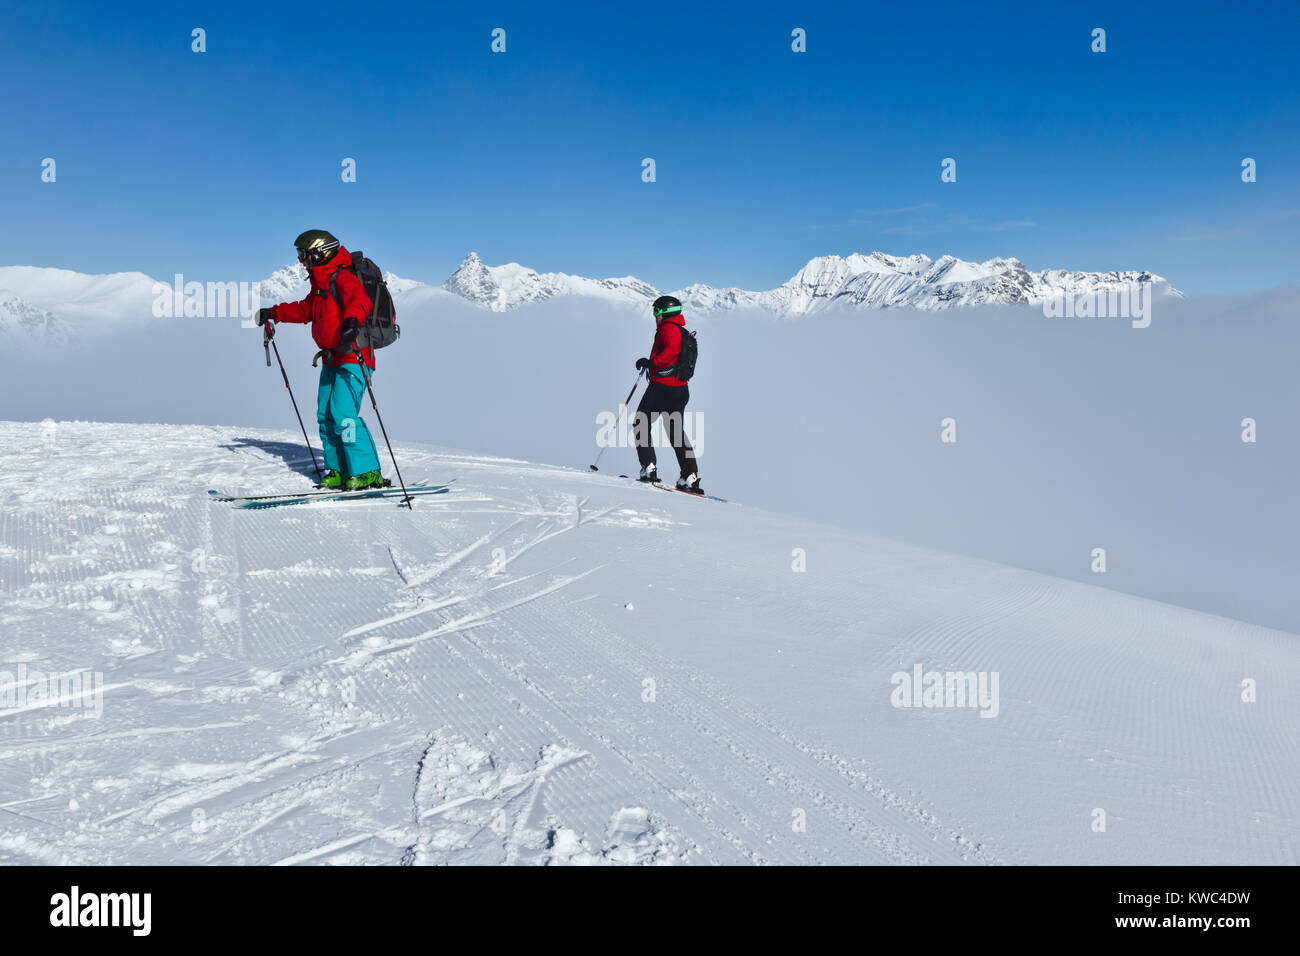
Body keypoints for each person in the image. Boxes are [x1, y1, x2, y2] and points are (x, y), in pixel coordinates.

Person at [256, 229, 385, 490]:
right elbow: (305, 310)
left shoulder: (343, 278)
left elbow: (360, 301)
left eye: (303, 255)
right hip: (331, 359)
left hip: (354, 357)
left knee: (343, 414)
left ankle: (366, 471)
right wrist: (273, 312)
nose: (301, 261)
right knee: (325, 415)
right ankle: (337, 468)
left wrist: (351, 321)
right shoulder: (320, 287)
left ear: (319, 252)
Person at [633, 295, 702, 494]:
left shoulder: (668, 329)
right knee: (675, 432)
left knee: (641, 422)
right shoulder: (681, 330)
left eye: (656, 311)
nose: (654, 315)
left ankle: (649, 468)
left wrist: (652, 363)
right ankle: (689, 476)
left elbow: (671, 350)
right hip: (680, 389)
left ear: (665, 312)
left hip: (662, 387)